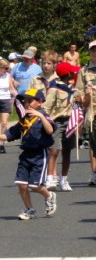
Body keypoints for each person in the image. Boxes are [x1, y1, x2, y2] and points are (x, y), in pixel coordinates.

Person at [0, 88, 57, 220]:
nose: (27, 103)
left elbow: (49, 130)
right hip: (25, 154)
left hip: (39, 154)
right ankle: (29, 209)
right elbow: (10, 135)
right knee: (21, 184)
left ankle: (49, 196)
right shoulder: (23, 120)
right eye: (25, 101)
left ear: (40, 102)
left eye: (31, 100)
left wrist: (41, 116)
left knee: (34, 185)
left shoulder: (44, 116)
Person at [44, 61, 80, 192]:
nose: (74, 73)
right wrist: (46, 122)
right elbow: (47, 107)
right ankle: (50, 178)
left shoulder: (72, 89)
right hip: (57, 122)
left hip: (70, 121)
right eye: (72, 72)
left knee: (67, 151)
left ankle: (64, 179)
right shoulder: (54, 88)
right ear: (68, 73)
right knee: (54, 150)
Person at [75, 41, 96, 186]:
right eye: (93, 50)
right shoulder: (84, 71)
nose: (95, 52)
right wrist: (84, 96)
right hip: (92, 111)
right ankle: (94, 173)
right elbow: (78, 92)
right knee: (94, 144)